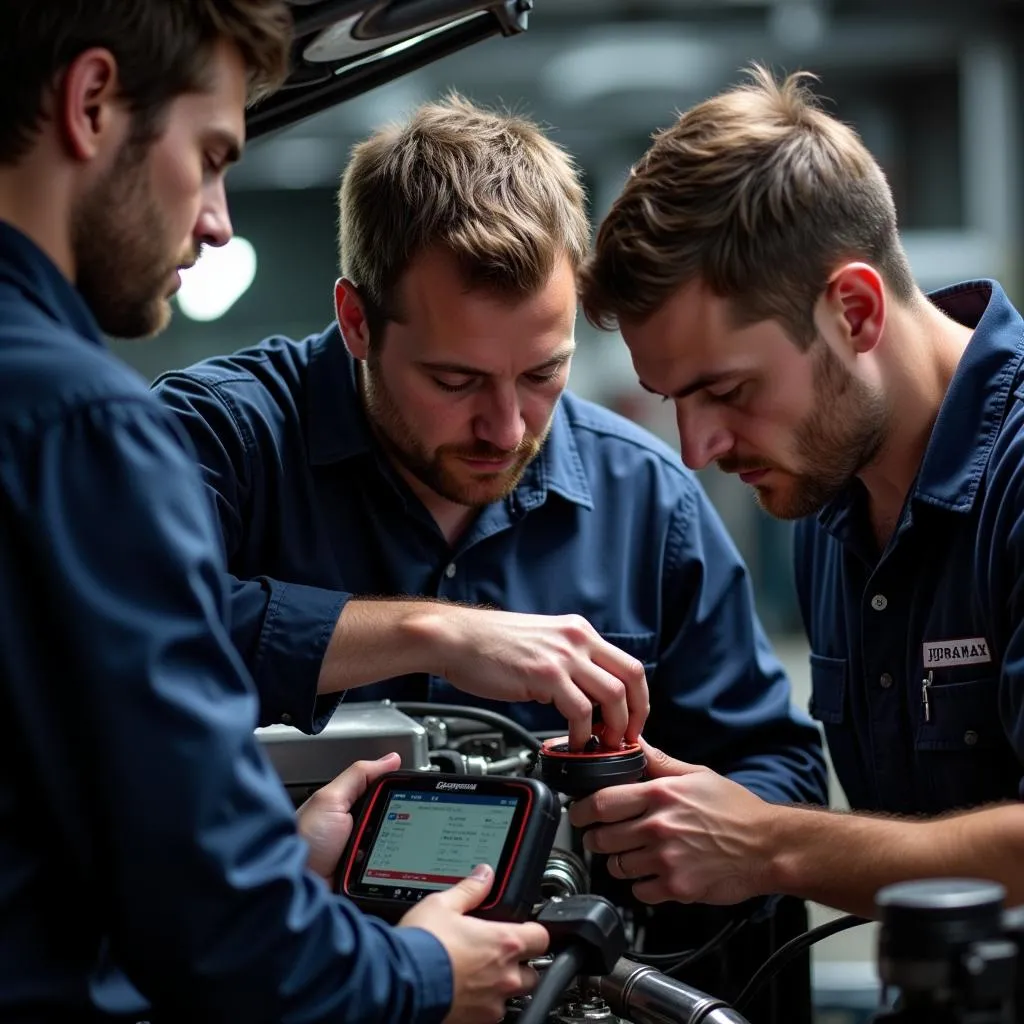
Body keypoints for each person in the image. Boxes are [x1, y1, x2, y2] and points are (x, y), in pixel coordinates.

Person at [152, 94, 827, 1020]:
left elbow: (772, 766)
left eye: (542, 373)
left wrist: (672, 827)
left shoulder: (647, 501)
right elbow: (126, 637)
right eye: (455, 380)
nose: (506, 428)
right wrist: (433, 635)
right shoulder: (212, 445)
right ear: (356, 321)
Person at [0, 3, 551, 1022]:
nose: (217, 219)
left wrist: (270, 859)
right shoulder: (86, 427)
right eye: (211, 156)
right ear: (88, 104)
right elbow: (222, 939)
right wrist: (427, 972)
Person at [572, 64, 1024, 919]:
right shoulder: (829, 500)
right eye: (676, 402)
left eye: (729, 391)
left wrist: (766, 842)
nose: (697, 451)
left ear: (853, 312)